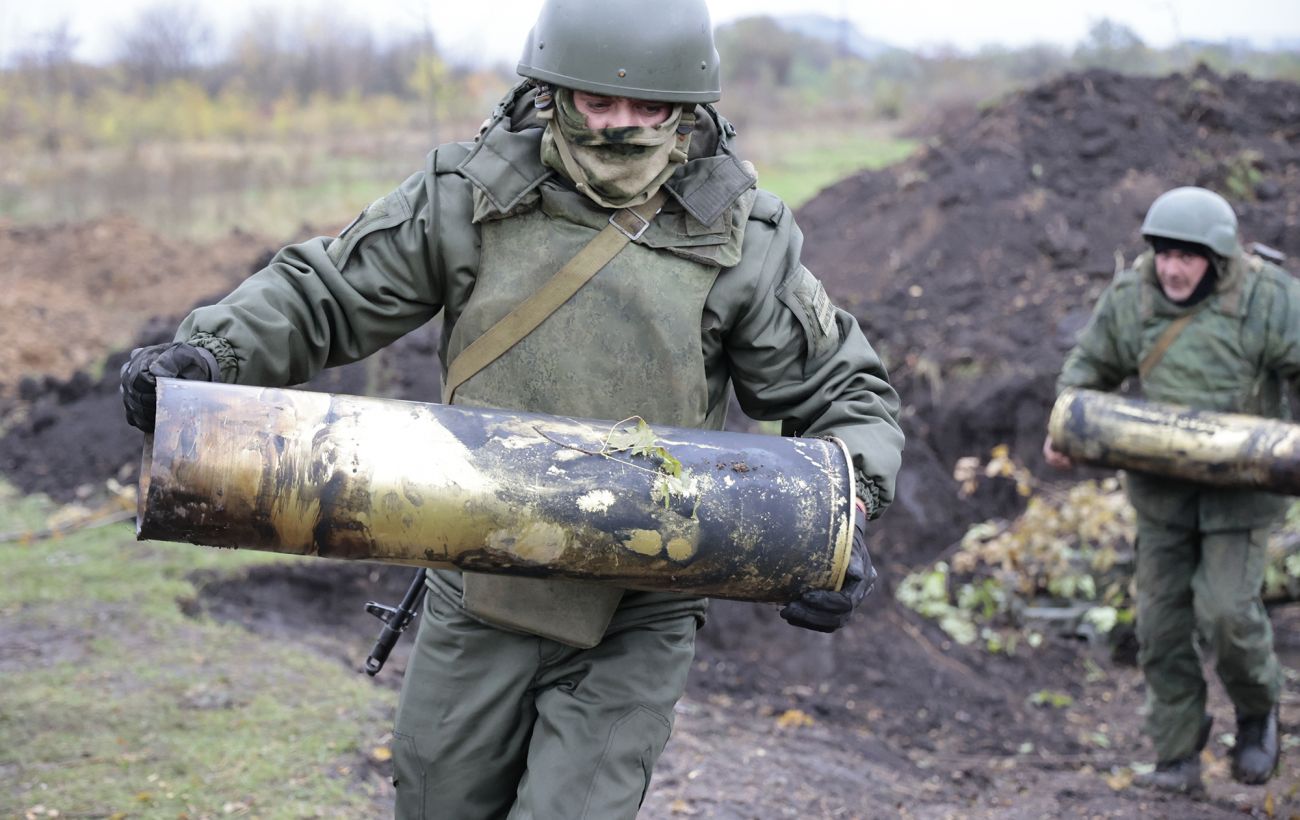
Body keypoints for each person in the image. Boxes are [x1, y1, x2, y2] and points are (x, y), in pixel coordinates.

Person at [118, 1, 905, 817]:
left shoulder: (743, 236)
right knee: (435, 800)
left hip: (640, 608)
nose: (621, 128)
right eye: (598, 102)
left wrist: (837, 524)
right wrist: (211, 354)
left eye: (648, 108)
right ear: (551, 93)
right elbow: (329, 291)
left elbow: (844, 394)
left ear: (691, 109)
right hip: (479, 582)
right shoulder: (470, 197)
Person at [1044, 186, 1294, 794]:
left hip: (1241, 494)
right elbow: (1088, 371)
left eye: (1188, 256)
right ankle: (1178, 753)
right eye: (1163, 254)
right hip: (1162, 494)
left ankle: (1259, 715)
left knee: (1229, 614)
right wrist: (1067, 425)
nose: (1173, 268)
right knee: (1159, 626)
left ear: (1218, 257)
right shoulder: (1132, 297)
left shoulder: (1267, 297)